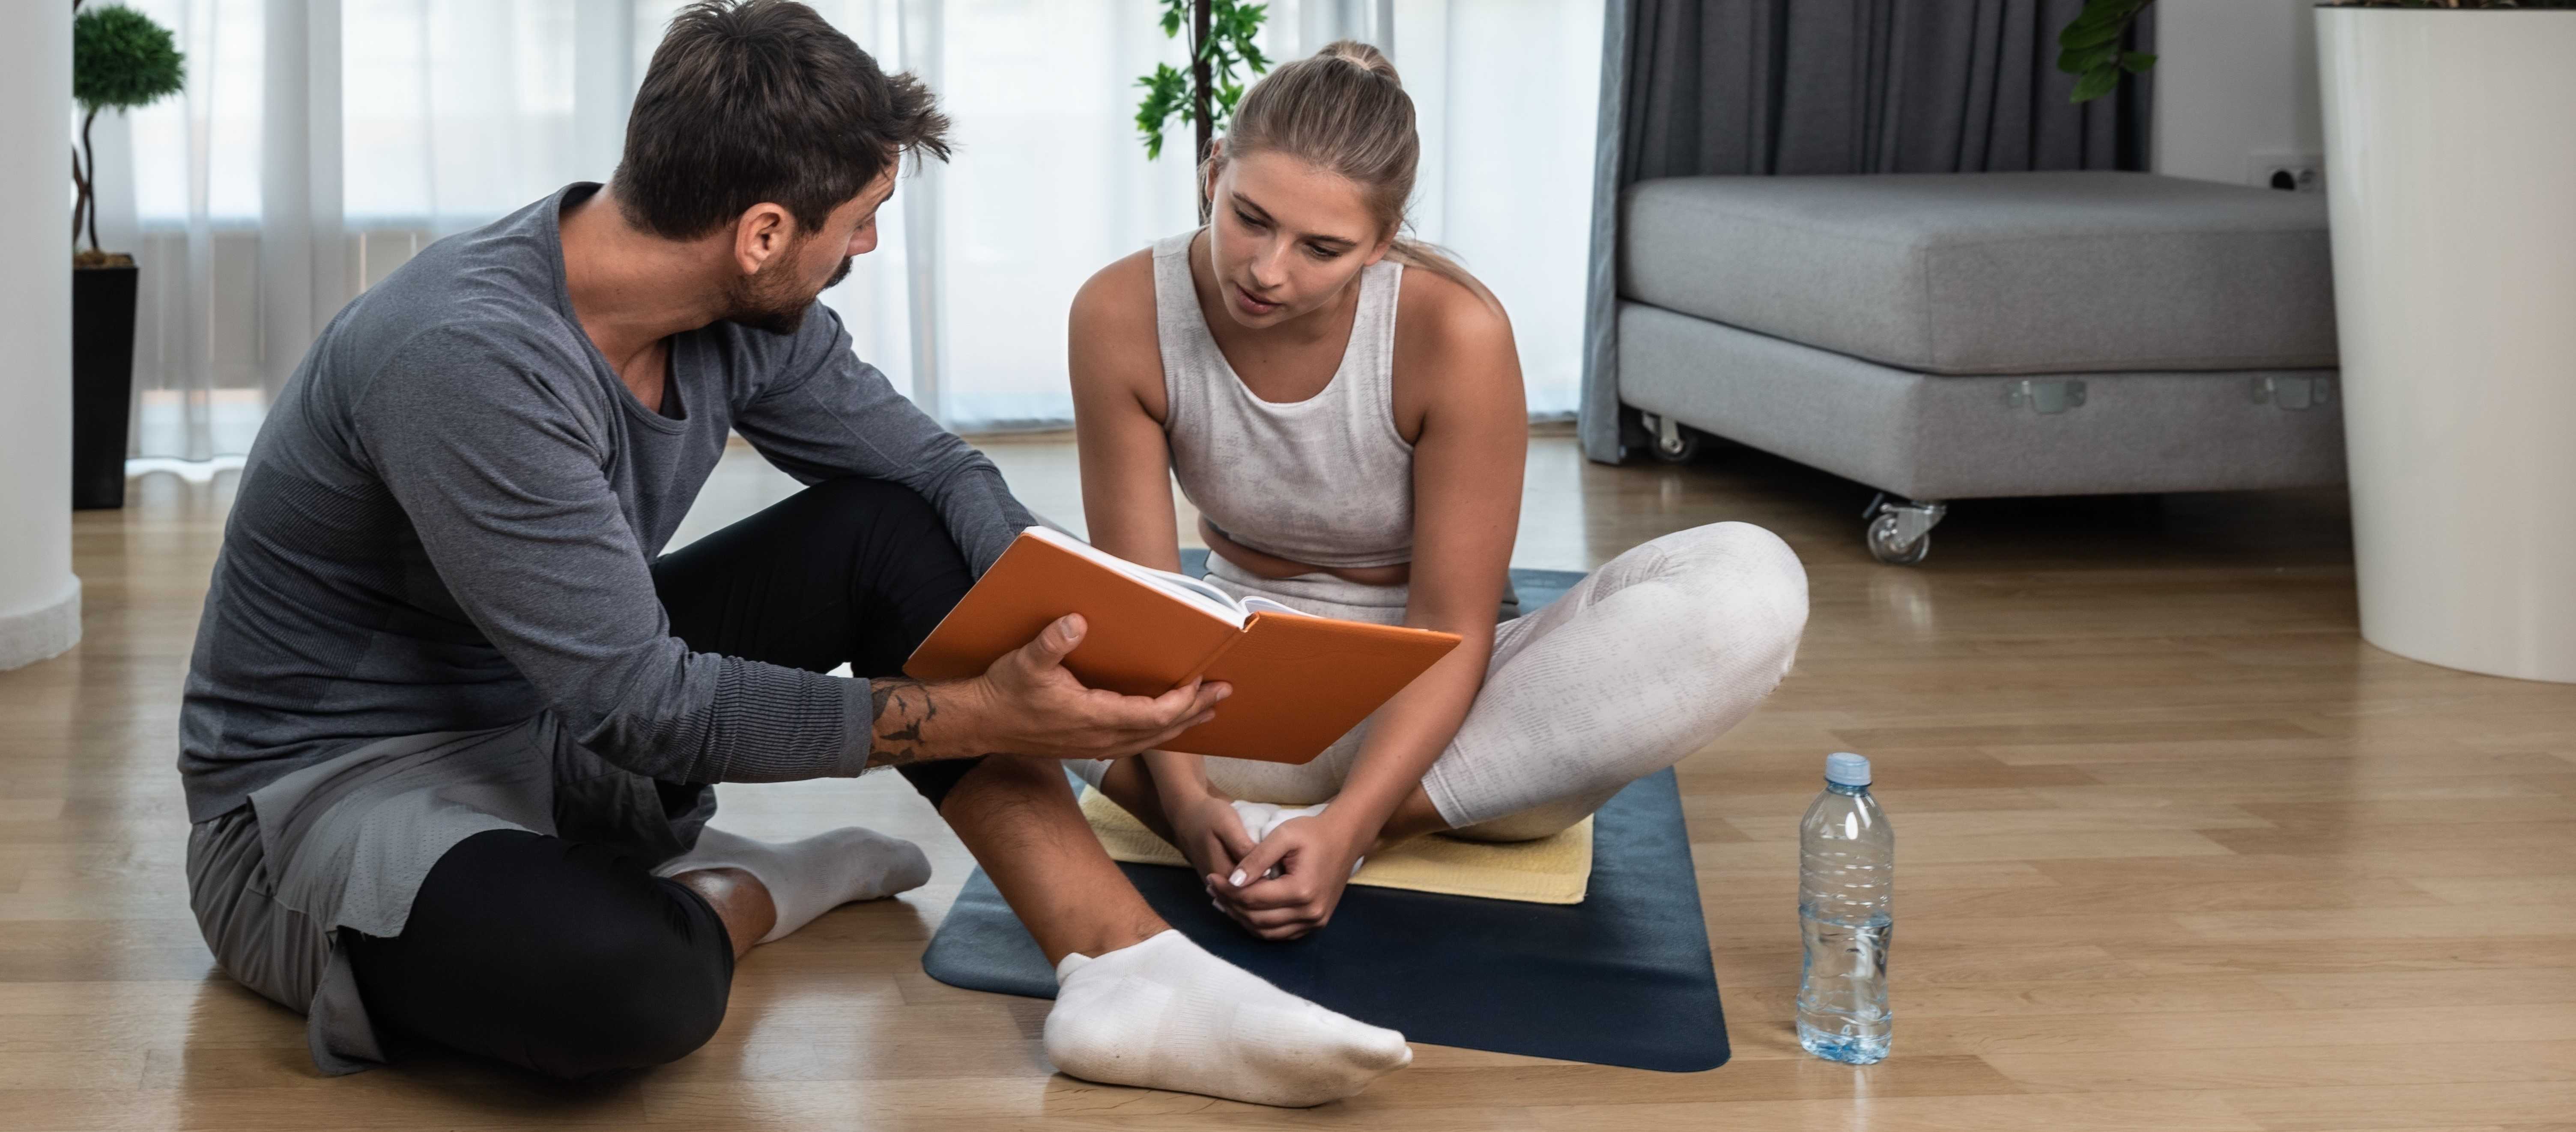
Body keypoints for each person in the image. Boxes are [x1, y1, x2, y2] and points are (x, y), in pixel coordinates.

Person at [178, 1, 1409, 1108]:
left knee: (889, 524)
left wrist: (1097, 630)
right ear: (764, 232)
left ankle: (1121, 965)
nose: (864, 249)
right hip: (331, 802)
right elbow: (645, 706)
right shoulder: (467, 359)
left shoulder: (739, 312)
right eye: (860, 223)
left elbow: (939, 473)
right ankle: (748, 890)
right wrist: (982, 711)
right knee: (630, 990)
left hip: (553, 731)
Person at [1067, 42, 1811, 942]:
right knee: (966, 580)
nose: (1267, 270)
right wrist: (1186, 807)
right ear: (1214, 171)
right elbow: (1149, 611)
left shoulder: (1455, 327)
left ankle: (1348, 828)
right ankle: (1243, 826)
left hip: (1451, 729)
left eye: (1322, 248)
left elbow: (1449, 628)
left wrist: (1352, 829)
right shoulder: (1119, 311)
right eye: (1250, 219)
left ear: (1383, 242)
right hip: (1226, 708)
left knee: (1750, 582)